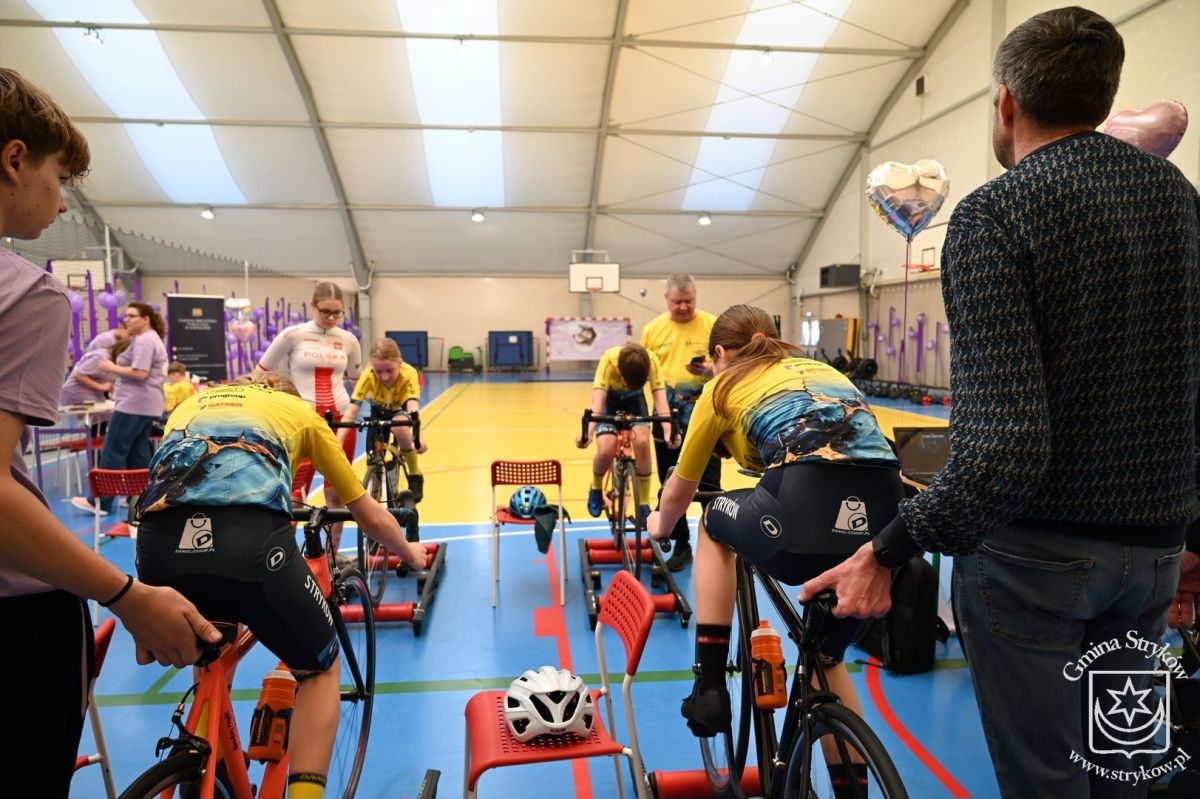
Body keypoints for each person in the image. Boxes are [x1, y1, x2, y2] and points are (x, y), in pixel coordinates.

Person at [799, 9, 1200, 798]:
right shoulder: (1179, 200)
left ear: (1007, 103)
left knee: (1050, 782)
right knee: (1124, 773)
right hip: (1155, 553)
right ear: (1103, 94)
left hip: (1035, 562)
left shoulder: (997, 213)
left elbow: (1005, 448)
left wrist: (888, 549)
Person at [0, 66, 221, 799]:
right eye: (59, 176)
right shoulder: (27, 292)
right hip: (18, 620)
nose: (62, 199)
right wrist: (127, 594)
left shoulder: (138, 344)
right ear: (15, 159)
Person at [648, 305, 901, 798]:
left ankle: (710, 683)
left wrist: (661, 522)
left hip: (799, 511)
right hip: (882, 519)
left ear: (719, 353)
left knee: (712, 522)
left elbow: (681, 487)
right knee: (827, 658)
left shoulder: (720, 387)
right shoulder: (822, 371)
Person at [135, 372, 427, 799]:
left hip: (156, 547)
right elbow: (370, 515)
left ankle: (206, 768)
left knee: (212, 638)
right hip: (247, 543)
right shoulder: (299, 413)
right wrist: (410, 553)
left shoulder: (193, 403)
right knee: (320, 669)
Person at [255, 283, 362, 547]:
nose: (331, 318)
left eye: (338, 313)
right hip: (300, 421)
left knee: (337, 494)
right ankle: (285, 555)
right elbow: (259, 374)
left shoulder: (349, 340)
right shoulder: (292, 335)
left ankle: (332, 556)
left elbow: (359, 383)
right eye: (325, 311)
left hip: (339, 423)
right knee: (294, 493)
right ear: (313, 306)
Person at [640, 273, 720, 570]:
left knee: (709, 482)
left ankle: (717, 541)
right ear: (666, 299)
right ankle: (681, 543)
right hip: (666, 417)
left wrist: (708, 370)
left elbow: (730, 366)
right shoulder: (652, 330)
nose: (684, 307)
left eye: (689, 301)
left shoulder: (712, 325)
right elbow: (647, 374)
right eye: (677, 302)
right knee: (670, 481)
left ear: (695, 296)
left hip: (707, 414)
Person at [71, 302, 168, 515]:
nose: (127, 319)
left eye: (132, 316)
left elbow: (140, 373)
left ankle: (100, 502)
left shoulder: (145, 340)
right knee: (137, 453)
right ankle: (139, 497)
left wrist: (111, 367)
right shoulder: (149, 339)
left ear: (145, 319)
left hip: (134, 404)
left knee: (113, 450)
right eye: (126, 316)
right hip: (145, 404)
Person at [576, 342, 673, 521]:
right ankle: (596, 487)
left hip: (634, 400)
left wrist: (669, 431)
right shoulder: (609, 361)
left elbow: (660, 399)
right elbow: (598, 403)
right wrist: (587, 433)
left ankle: (643, 503)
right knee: (606, 448)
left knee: (642, 442)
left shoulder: (652, 361)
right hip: (609, 400)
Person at [337, 337, 427, 502]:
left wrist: (418, 438)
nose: (384, 377)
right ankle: (376, 487)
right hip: (378, 411)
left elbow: (413, 408)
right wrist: (338, 441)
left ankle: (414, 473)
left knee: (400, 427)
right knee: (373, 457)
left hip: (400, 408)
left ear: (399, 363)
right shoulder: (367, 375)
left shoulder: (409, 373)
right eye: (378, 371)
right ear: (372, 366)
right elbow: (351, 411)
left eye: (389, 371)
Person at [60, 326, 129, 430]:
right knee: (106, 415)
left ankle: (100, 436)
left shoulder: (111, 360)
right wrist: (101, 387)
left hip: (92, 393)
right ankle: (98, 437)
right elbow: (78, 374)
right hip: (76, 392)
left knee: (111, 413)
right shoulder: (101, 357)